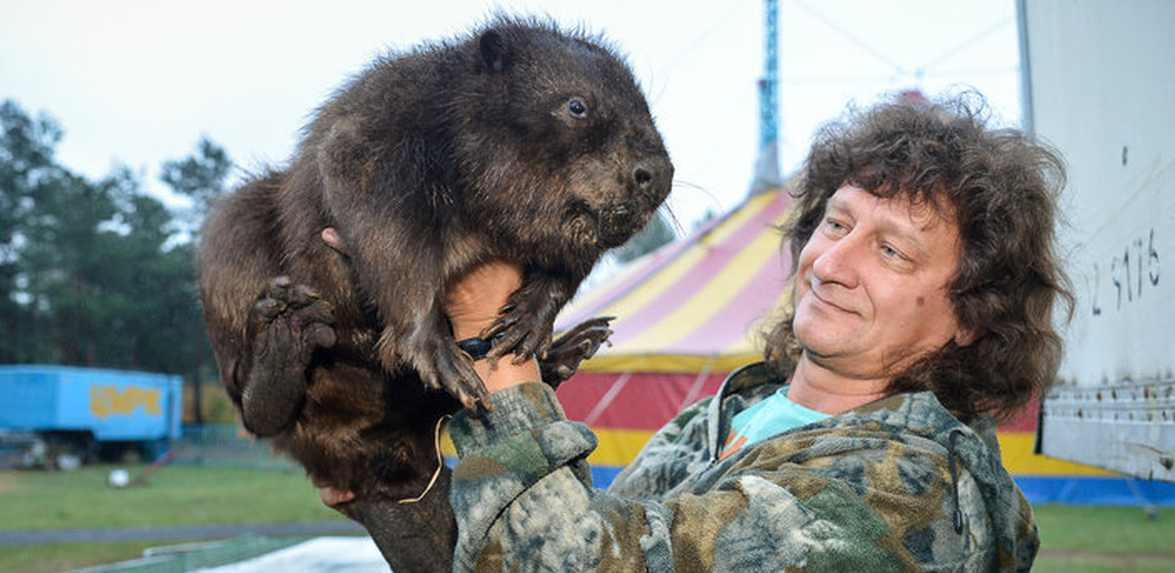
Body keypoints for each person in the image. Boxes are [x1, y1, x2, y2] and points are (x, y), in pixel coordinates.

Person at [436, 93, 1071, 572]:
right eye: (837, 223)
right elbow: (509, 543)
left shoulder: (911, 496)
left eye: (891, 253)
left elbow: (576, 559)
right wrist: (393, 477)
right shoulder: (729, 414)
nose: (830, 264)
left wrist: (494, 339)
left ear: (970, 315)